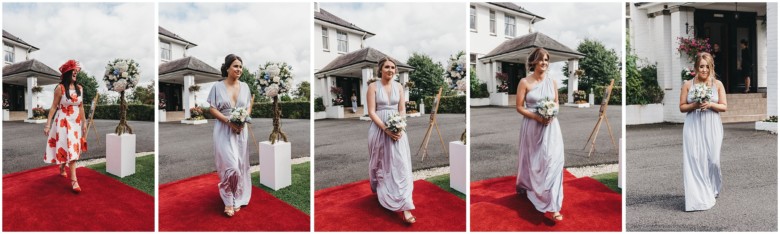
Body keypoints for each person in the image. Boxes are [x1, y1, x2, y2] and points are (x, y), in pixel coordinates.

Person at [514, 48, 564, 221]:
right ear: (534, 62)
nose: (544, 63)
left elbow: (556, 103)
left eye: (547, 60)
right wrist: (537, 116)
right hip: (532, 127)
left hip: (551, 127)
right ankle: (530, 187)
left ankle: (554, 205)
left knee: (552, 161)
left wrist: (551, 113)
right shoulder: (524, 82)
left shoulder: (552, 82)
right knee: (534, 161)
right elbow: (519, 107)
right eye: (541, 59)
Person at [367, 57, 416, 224]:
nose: (390, 70)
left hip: (398, 131)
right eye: (387, 67)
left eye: (393, 67)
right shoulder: (373, 87)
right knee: (382, 163)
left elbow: (402, 109)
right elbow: (372, 112)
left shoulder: (399, 87)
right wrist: (386, 129)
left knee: (399, 164)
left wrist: (399, 126)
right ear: (380, 69)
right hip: (379, 130)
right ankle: (383, 192)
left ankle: (405, 206)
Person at [679, 52, 727, 211]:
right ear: (696, 67)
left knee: (713, 160)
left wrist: (711, 105)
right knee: (695, 159)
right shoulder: (688, 84)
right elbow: (682, 107)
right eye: (701, 66)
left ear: (711, 67)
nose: (704, 69)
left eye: (707, 66)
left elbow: (724, 107)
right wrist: (695, 105)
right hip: (693, 125)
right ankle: (699, 195)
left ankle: (713, 187)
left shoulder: (718, 84)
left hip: (712, 125)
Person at [207, 54, 253, 217]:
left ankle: (237, 195)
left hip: (240, 131)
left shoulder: (246, 87)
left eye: (240, 66)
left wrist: (242, 120)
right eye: (235, 66)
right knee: (230, 166)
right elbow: (212, 109)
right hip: (223, 129)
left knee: (240, 165)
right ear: (227, 68)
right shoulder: (217, 87)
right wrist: (229, 121)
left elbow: (248, 107)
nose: (239, 69)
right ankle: (228, 200)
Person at [44, 59, 87, 193]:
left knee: (72, 147)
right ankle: (74, 181)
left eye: (76, 71)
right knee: (67, 146)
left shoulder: (80, 88)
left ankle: (62, 167)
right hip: (62, 121)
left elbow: (81, 107)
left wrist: (84, 122)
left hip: (75, 122)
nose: (76, 72)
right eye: (73, 71)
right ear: (68, 73)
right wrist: (47, 124)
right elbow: (53, 107)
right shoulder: (60, 88)